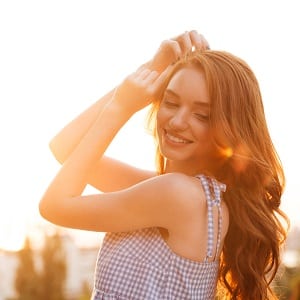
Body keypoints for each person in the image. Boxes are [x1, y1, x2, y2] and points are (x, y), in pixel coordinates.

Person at [39, 30, 289, 299]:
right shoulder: (189, 194)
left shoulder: (176, 195)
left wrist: (122, 106)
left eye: (202, 115)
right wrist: (150, 70)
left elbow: (54, 206)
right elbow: (65, 148)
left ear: (229, 128)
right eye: (170, 102)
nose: (178, 121)